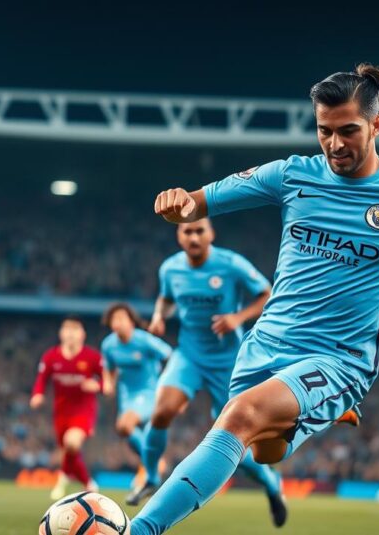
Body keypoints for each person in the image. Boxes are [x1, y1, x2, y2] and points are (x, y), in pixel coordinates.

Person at [128, 63, 379, 535]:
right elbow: (199, 201)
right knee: (263, 449)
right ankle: (323, 413)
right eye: (324, 131)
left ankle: (139, 529)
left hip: (339, 358)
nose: (335, 144)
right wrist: (178, 204)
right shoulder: (292, 174)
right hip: (264, 346)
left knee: (239, 416)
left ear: (376, 124)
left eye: (348, 130)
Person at [128, 219, 288, 528]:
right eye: (187, 232)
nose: (193, 237)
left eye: (199, 230)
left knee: (237, 441)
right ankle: (149, 476)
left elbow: (267, 293)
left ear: (210, 234)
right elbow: (166, 298)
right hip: (188, 354)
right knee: (161, 412)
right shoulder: (170, 269)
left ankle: (272, 486)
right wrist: (160, 316)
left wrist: (237, 317)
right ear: (179, 236)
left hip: (229, 361)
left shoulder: (231, 265)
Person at [30, 315, 104, 500]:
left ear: (83, 334)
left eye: (75, 330)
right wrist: (37, 395)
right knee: (69, 451)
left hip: (84, 410)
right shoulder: (51, 356)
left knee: (72, 443)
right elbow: (41, 379)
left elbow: (108, 381)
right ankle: (87, 482)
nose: (70, 334)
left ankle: (63, 478)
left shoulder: (92, 357)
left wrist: (99, 386)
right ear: (61, 333)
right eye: (67, 330)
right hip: (61, 411)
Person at [99, 302, 172, 485]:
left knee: (126, 423)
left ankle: (152, 463)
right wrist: (108, 383)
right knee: (123, 429)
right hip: (126, 395)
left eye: (122, 317)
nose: (118, 322)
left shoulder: (144, 340)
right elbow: (109, 368)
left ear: (131, 321)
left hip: (148, 392)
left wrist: (169, 383)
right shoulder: (108, 345)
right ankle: (151, 465)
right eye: (114, 318)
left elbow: (169, 354)